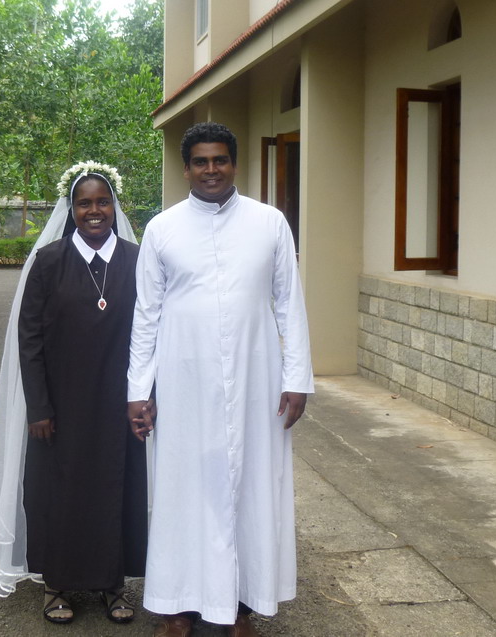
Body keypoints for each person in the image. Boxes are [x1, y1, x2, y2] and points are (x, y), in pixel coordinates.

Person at [127, 123, 314, 637]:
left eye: (220, 160)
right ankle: (178, 607)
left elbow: (289, 304)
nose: (212, 170)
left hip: (257, 381)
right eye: (201, 162)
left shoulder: (269, 223)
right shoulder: (162, 229)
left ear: (234, 163)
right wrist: (138, 390)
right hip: (184, 382)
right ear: (186, 169)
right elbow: (146, 315)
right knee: (182, 489)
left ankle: (242, 607)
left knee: (252, 487)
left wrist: (297, 377)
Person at [0, 162, 149, 624]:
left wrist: (146, 395)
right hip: (59, 405)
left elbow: (152, 331)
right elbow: (29, 338)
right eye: (84, 203)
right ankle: (56, 584)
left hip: (118, 402)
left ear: (114, 206)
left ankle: (113, 584)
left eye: (103, 202)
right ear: (70, 209)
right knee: (59, 492)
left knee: (114, 489)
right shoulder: (49, 261)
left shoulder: (137, 259)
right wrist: (38, 406)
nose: (94, 211)